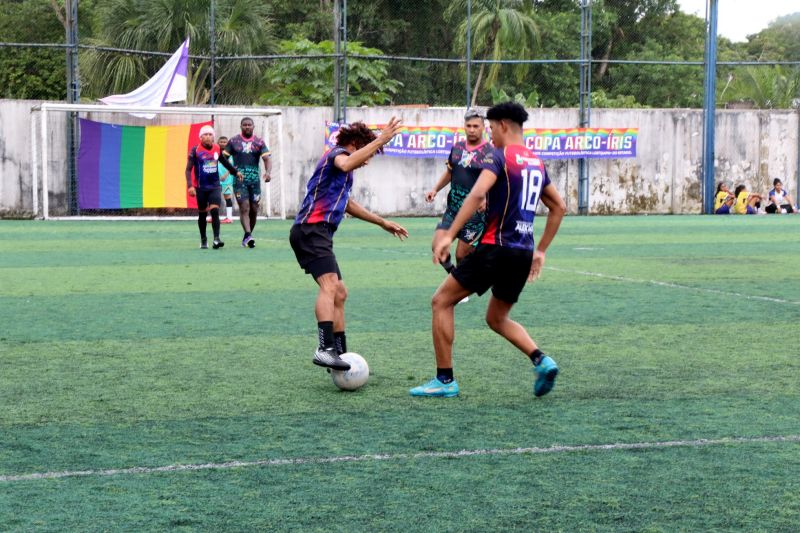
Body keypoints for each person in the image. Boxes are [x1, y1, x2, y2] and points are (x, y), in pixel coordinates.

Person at [410, 102, 566, 399]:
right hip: (522, 252)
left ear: (504, 125)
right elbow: (559, 206)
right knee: (496, 318)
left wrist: (449, 235)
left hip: (496, 248)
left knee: (441, 301)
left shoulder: (499, 155)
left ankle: (445, 381)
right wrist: (542, 250)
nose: (489, 134)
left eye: (492, 128)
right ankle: (541, 360)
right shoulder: (536, 162)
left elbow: (478, 193)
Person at [290, 118, 408, 371]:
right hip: (311, 230)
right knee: (330, 285)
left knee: (340, 293)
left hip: (318, 233)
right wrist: (381, 139)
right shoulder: (338, 154)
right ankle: (325, 348)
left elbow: (348, 204)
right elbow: (345, 163)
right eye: (369, 153)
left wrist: (381, 222)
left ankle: (340, 355)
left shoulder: (345, 174)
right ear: (356, 144)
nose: (367, 160)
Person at [425, 108, 493, 303]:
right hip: (453, 209)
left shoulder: (490, 152)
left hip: (474, 214)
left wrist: (487, 198)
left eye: (475, 126)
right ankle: (455, 279)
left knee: (462, 254)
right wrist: (435, 189)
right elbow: (450, 172)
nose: (471, 130)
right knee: (437, 246)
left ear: (483, 127)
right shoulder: (457, 148)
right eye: (468, 126)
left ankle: (468, 282)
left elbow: (496, 180)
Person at [185, 125, 242, 249]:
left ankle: (216, 239)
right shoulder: (195, 150)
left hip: (215, 186)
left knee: (215, 210)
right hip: (200, 187)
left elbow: (224, 162)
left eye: (210, 134)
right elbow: (188, 170)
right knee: (202, 214)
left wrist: (235, 172)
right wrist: (190, 186)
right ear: (200, 137)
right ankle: (203, 239)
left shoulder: (217, 148)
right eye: (205, 134)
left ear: (213, 137)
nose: (208, 136)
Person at [224, 117, 272, 248]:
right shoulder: (234, 141)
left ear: (253, 126)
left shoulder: (259, 142)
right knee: (244, 207)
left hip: (255, 181)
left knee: (254, 209)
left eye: (249, 125)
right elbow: (224, 158)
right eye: (244, 125)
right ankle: (248, 235)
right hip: (239, 180)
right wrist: (233, 170)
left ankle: (247, 236)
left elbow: (267, 159)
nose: (247, 127)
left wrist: (268, 173)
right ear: (241, 126)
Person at [217, 136, 235, 223]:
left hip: (226, 180)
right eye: (221, 142)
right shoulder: (216, 153)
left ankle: (229, 217)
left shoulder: (230, 154)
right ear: (218, 143)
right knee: (215, 198)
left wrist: (225, 175)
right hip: (216, 180)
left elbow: (232, 166)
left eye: (225, 142)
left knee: (227, 198)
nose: (223, 143)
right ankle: (214, 217)